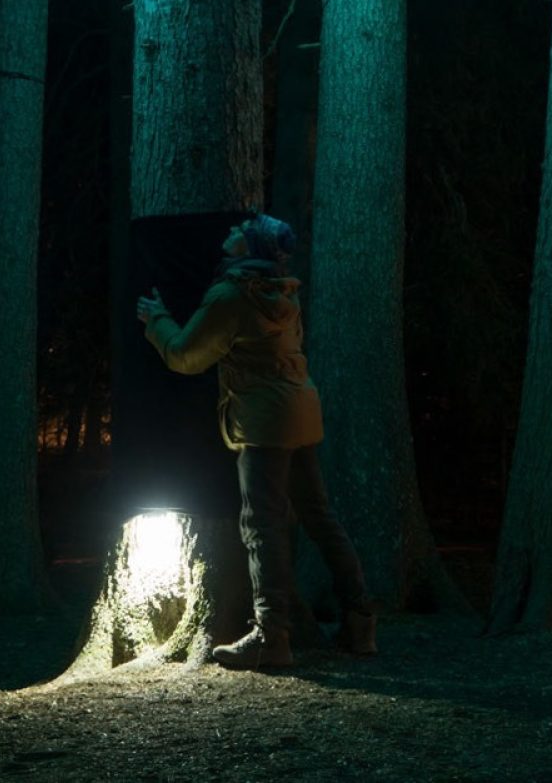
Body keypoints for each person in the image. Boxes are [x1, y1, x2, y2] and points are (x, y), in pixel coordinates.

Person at [135, 213, 376, 670]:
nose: (230, 231)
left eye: (241, 229)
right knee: (319, 517)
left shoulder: (232, 296)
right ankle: (361, 623)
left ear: (249, 246)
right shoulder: (284, 292)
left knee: (262, 526)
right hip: (301, 410)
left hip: (264, 421)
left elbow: (186, 356)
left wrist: (157, 321)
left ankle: (272, 638)